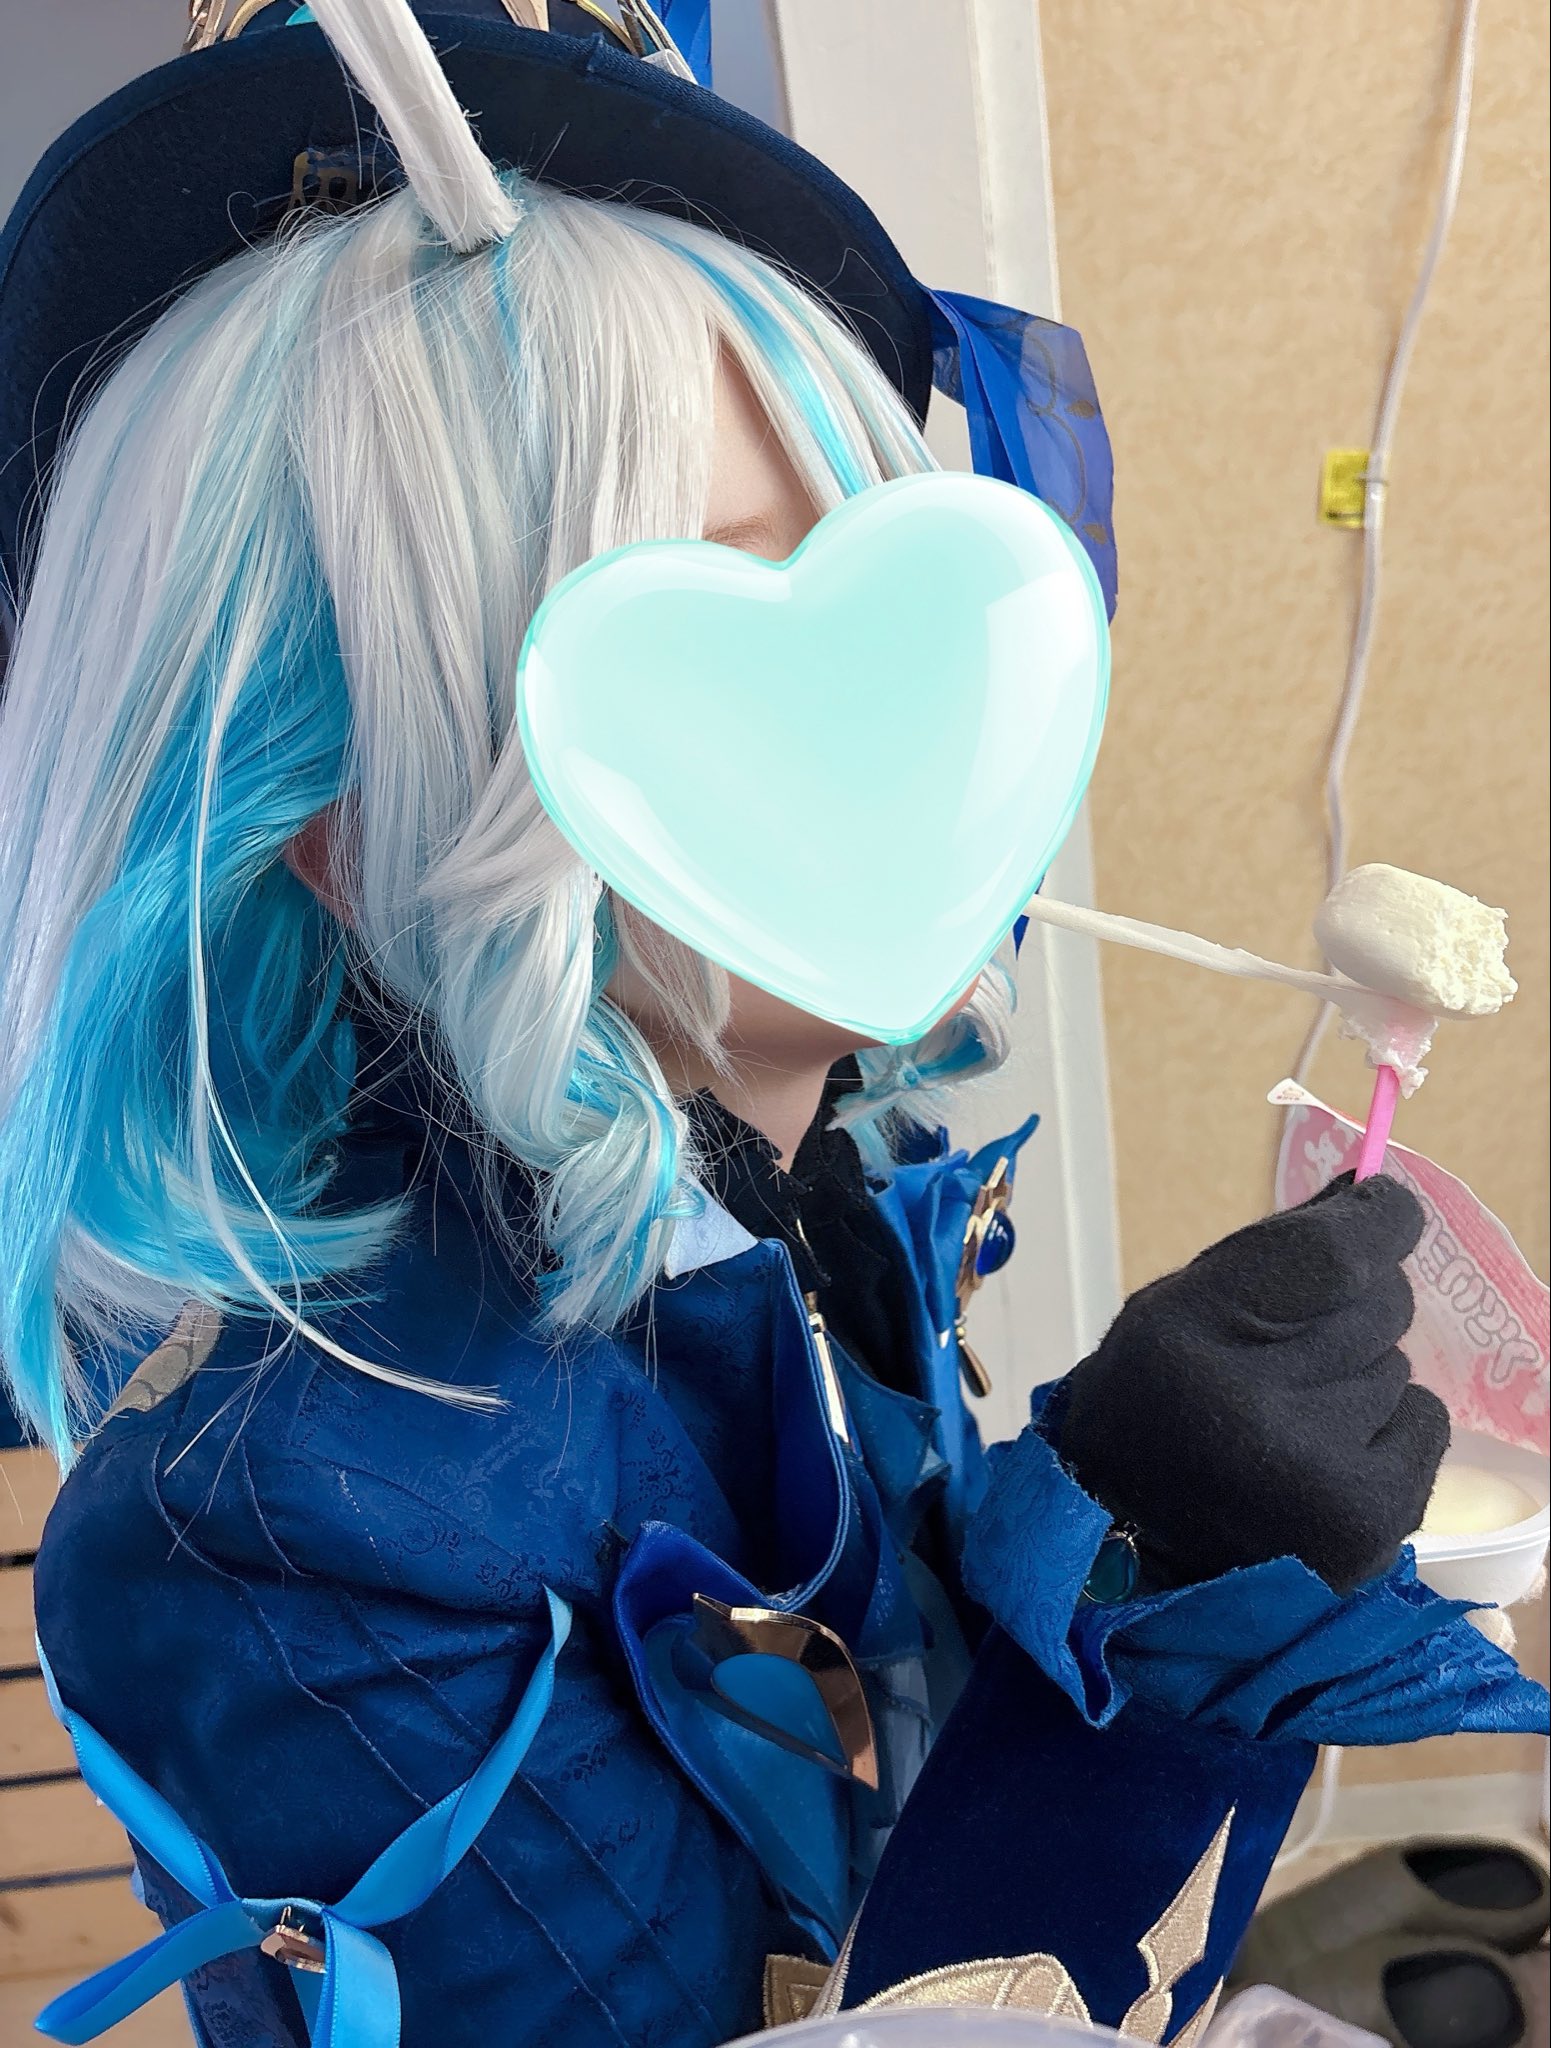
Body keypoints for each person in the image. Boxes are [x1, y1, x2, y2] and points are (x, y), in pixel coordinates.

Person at [0, 5, 1543, 2045]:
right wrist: (1167, 1634)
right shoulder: (285, 1533)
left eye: (888, 584)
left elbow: (879, 1702)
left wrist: (1132, 1524)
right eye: (724, 637)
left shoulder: (787, 1180)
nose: (897, 730)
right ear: (333, 808)